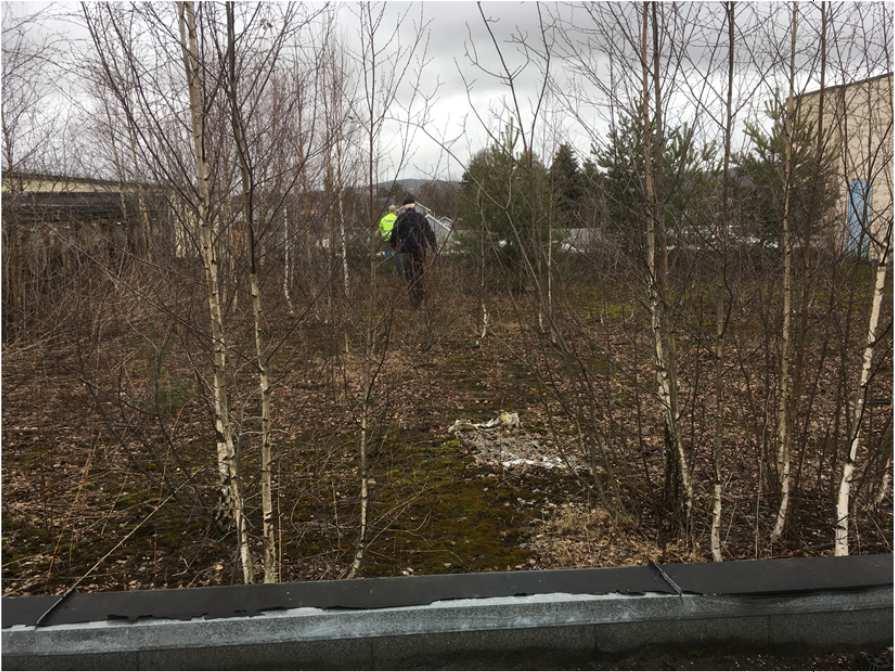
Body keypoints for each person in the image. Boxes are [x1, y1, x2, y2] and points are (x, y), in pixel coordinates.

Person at [390, 195, 436, 308]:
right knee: (419, 274)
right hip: (420, 251)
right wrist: (434, 247)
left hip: (406, 251)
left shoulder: (400, 218)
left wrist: (395, 246)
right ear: (414, 205)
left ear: (404, 207)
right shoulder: (421, 218)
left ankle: (413, 302)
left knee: (409, 275)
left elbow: (394, 235)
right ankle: (420, 300)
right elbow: (429, 233)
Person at [377, 204, 402, 274]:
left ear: (388, 211)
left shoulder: (383, 219)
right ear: (395, 211)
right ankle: (399, 272)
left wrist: (383, 235)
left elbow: (379, 229)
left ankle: (388, 272)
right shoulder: (398, 218)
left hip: (386, 240)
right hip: (395, 240)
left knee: (387, 255)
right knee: (397, 256)